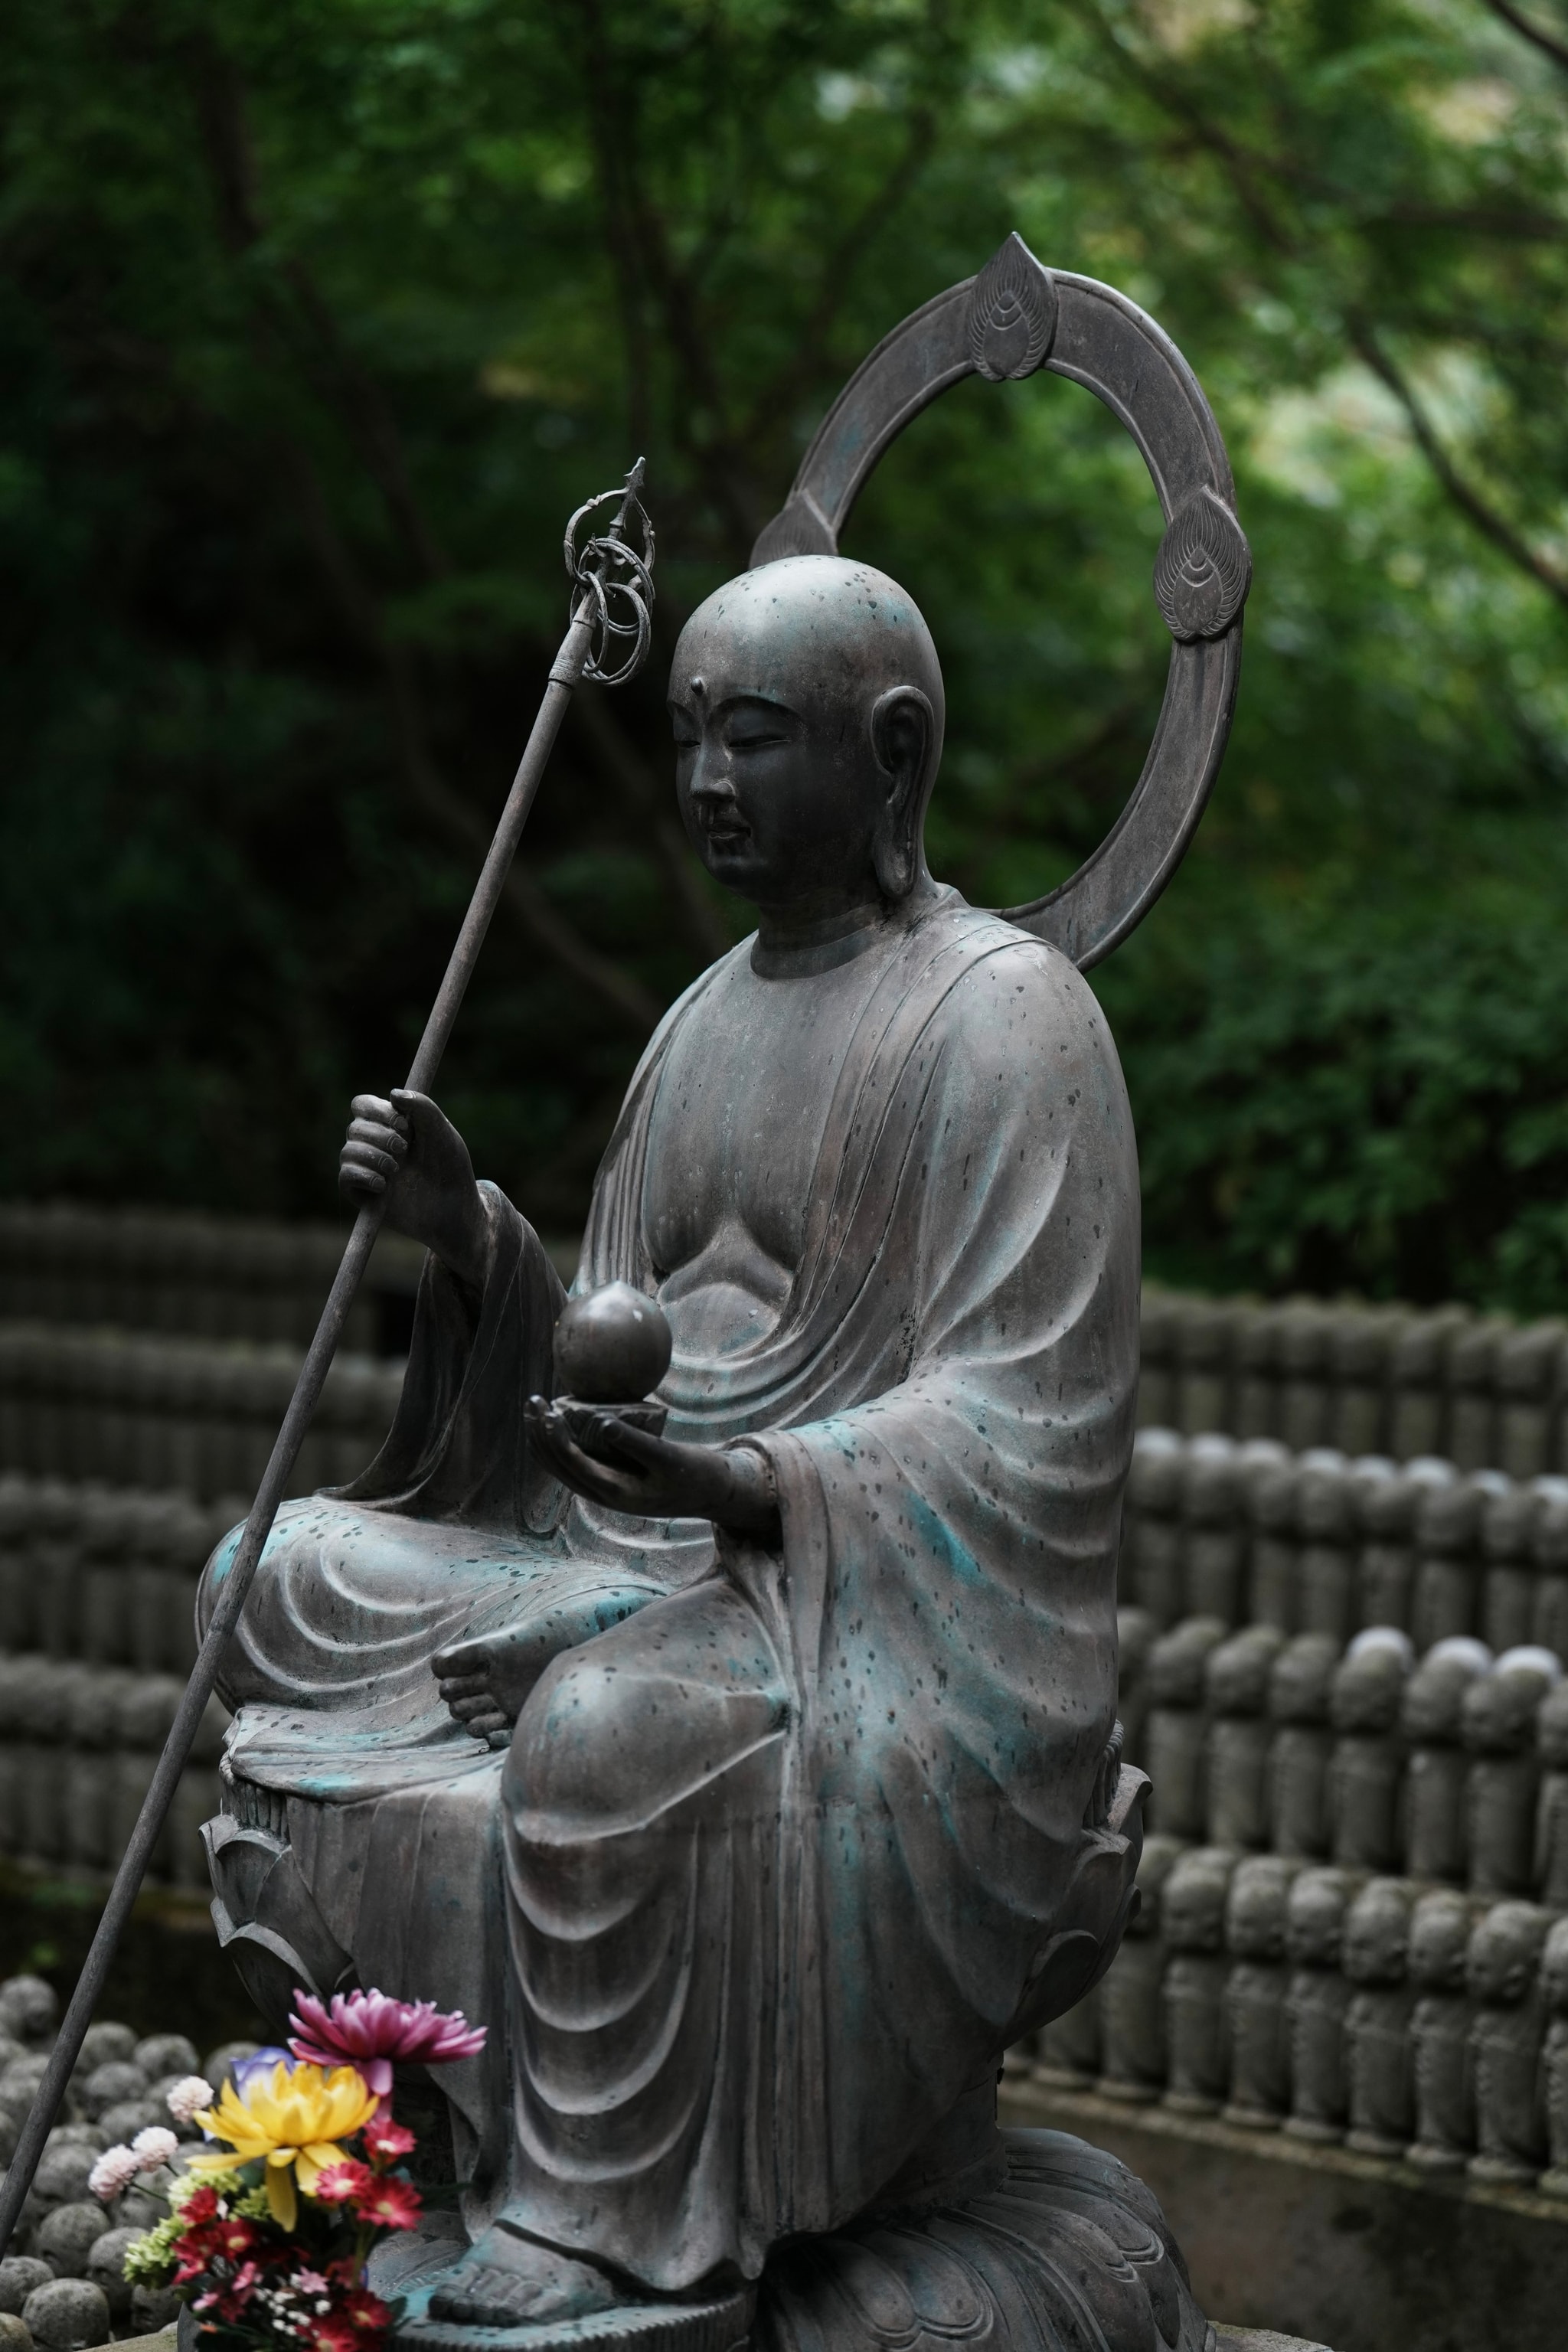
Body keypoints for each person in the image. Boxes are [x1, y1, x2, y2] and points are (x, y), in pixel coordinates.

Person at [199, 554, 1142, 2340]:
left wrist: (747, 1492)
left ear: (892, 752)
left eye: (758, 737)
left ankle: (598, 2219)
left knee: (606, 1726)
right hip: (632, 1547)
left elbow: (1023, 1413)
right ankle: (451, 2128)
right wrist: (471, 1244)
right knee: (272, 1574)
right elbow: (610, 1359)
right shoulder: (700, 1021)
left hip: (851, 1609)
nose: (709, 779)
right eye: (691, 733)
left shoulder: (1007, 1022)